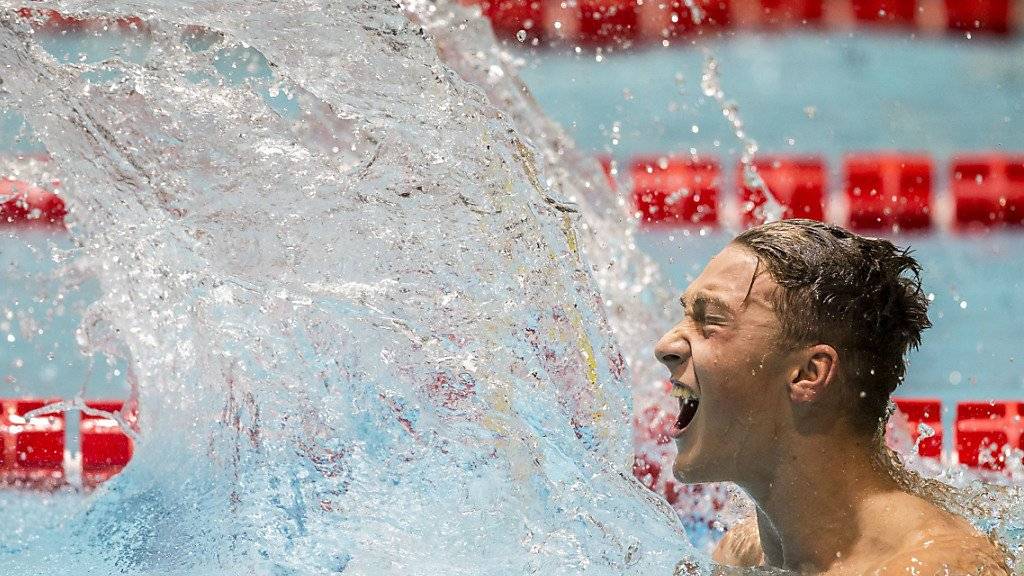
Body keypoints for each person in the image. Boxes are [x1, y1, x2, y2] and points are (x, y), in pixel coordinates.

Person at [653, 220, 1010, 575]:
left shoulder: (937, 567)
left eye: (711, 321)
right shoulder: (743, 553)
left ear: (809, 374)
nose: (665, 346)